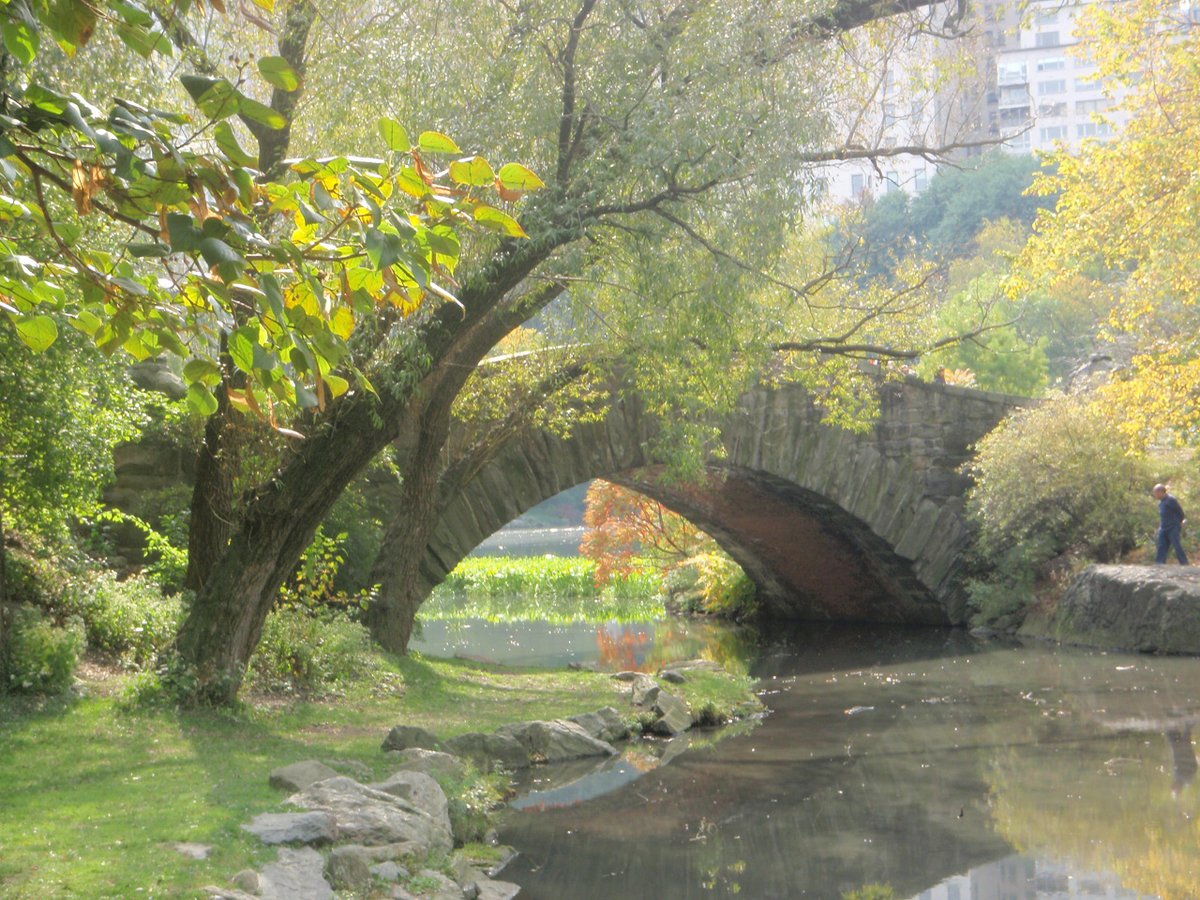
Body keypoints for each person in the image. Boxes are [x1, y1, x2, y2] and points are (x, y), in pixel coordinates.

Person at [1153, 483, 1189, 565]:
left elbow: (1180, 512)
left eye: (1156, 493)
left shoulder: (1171, 500)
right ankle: (1159, 563)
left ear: (1161, 492)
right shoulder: (1160, 503)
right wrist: (1159, 527)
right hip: (1164, 527)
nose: (1155, 495)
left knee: (1176, 545)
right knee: (1161, 545)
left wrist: (1183, 520)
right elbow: (1163, 516)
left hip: (1173, 527)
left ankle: (1184, 563)